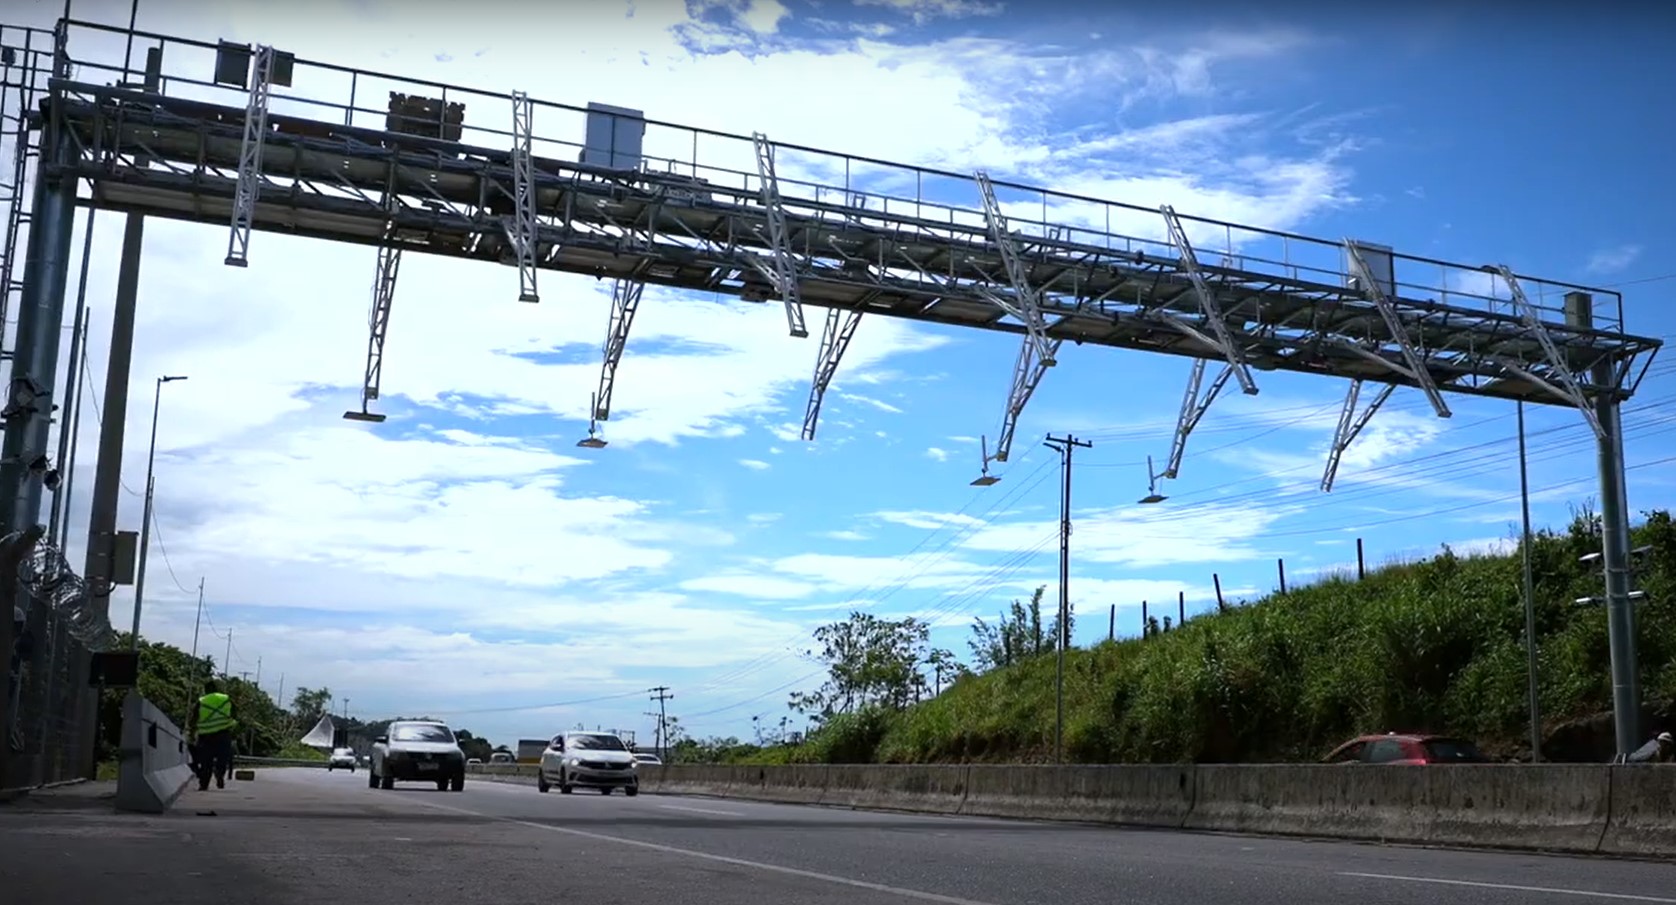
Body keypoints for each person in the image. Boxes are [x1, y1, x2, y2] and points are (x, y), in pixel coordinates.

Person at [191, 680, 239, 790]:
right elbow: (234, 714)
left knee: (205, 761)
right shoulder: (226, 698)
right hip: (223, 733)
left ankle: (204, 784)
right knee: (223, 758)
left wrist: (192, 732)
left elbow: (194, 717)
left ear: (206, 690)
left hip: (205, 735)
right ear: (217, 689)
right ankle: (219, 773)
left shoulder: (201, 701)